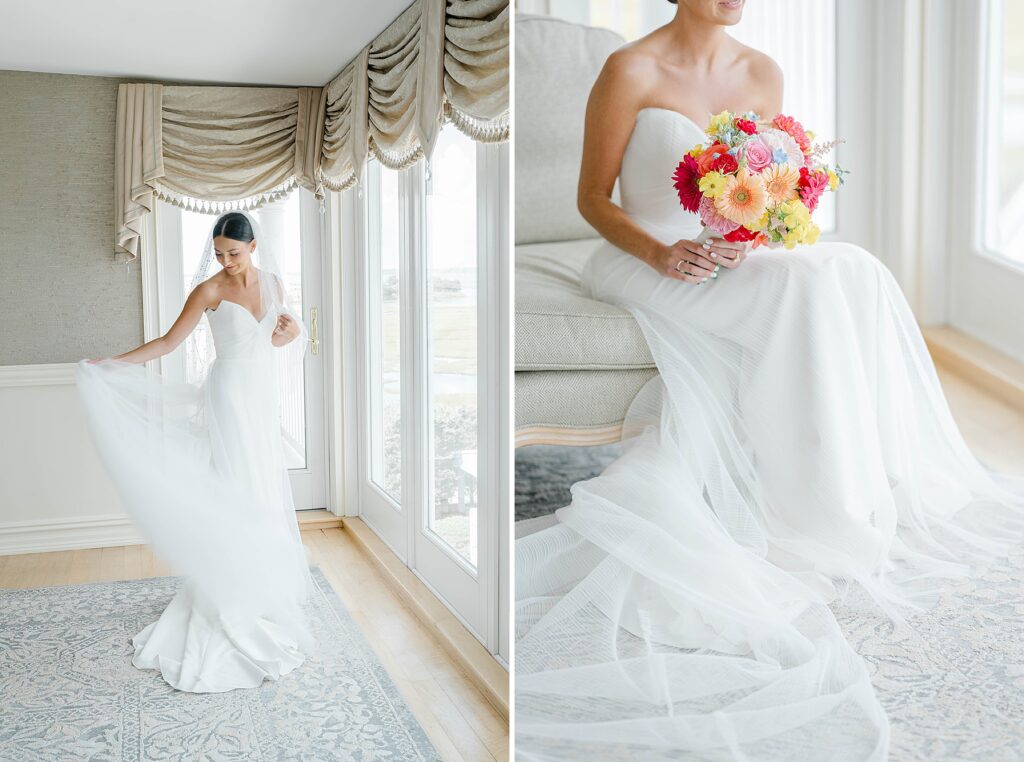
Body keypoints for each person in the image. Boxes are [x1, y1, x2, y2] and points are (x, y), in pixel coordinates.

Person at [514, 1, 1024, 759]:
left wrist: (751, 240)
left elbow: (761, 202)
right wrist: (662, 253)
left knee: (850, 268)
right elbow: (592, 199)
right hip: (641, 259)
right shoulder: (629, 68)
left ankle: (841, 488)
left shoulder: (762, 72)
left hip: (725, 256)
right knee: (802, 290)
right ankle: (807, 513)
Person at [76, 210, 314, 693]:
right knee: (235, 487)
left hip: (259, 395)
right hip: (228, 397)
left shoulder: (273, 283)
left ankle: (258, 587)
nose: (225, 262)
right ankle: (229, 590)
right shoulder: (209, 291)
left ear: (253, 247)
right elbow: (168, 342)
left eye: (234, 253)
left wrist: (288, 335)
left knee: (262, 487)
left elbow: (274, 340)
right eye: (219, 253)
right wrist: (113, 364)